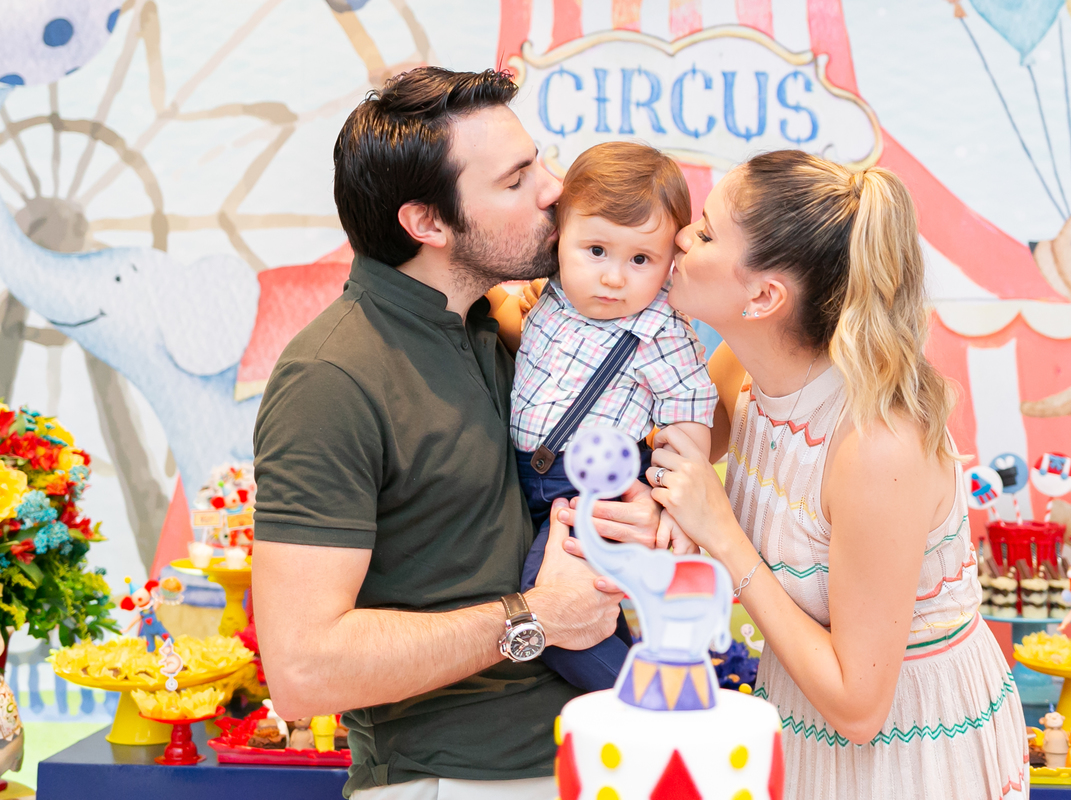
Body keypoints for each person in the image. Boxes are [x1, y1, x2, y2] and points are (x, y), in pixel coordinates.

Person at [251, 67, 662, 800]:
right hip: (453, 780)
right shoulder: (332, 376)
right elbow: (303, 670)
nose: (555, 189)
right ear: (428, 223)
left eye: (540, 159)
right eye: (515, 180)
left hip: (590, 755)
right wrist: (535, 618)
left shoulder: (503, 329)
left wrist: (630, 514)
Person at [619, 151, 1028, 799]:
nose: (679, 239)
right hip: (797, 712)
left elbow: (859, 708)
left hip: (907, 750)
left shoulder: (878, 446)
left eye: (704, 231)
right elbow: (662, 464)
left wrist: (723, 535)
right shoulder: (742, 372)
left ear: (763, 296)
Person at [497, 141, 717, 692]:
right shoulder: (547, 292)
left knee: (554, 607)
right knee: (591, 607)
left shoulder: (662, 329)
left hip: (597, 490)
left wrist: (673, 503)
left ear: (669, 262)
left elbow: (688, 418)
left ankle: (649, 699)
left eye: (640, 259)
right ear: (559, 239)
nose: (615, 278)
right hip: (528, 480)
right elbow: (524, 344)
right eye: (596, 250)